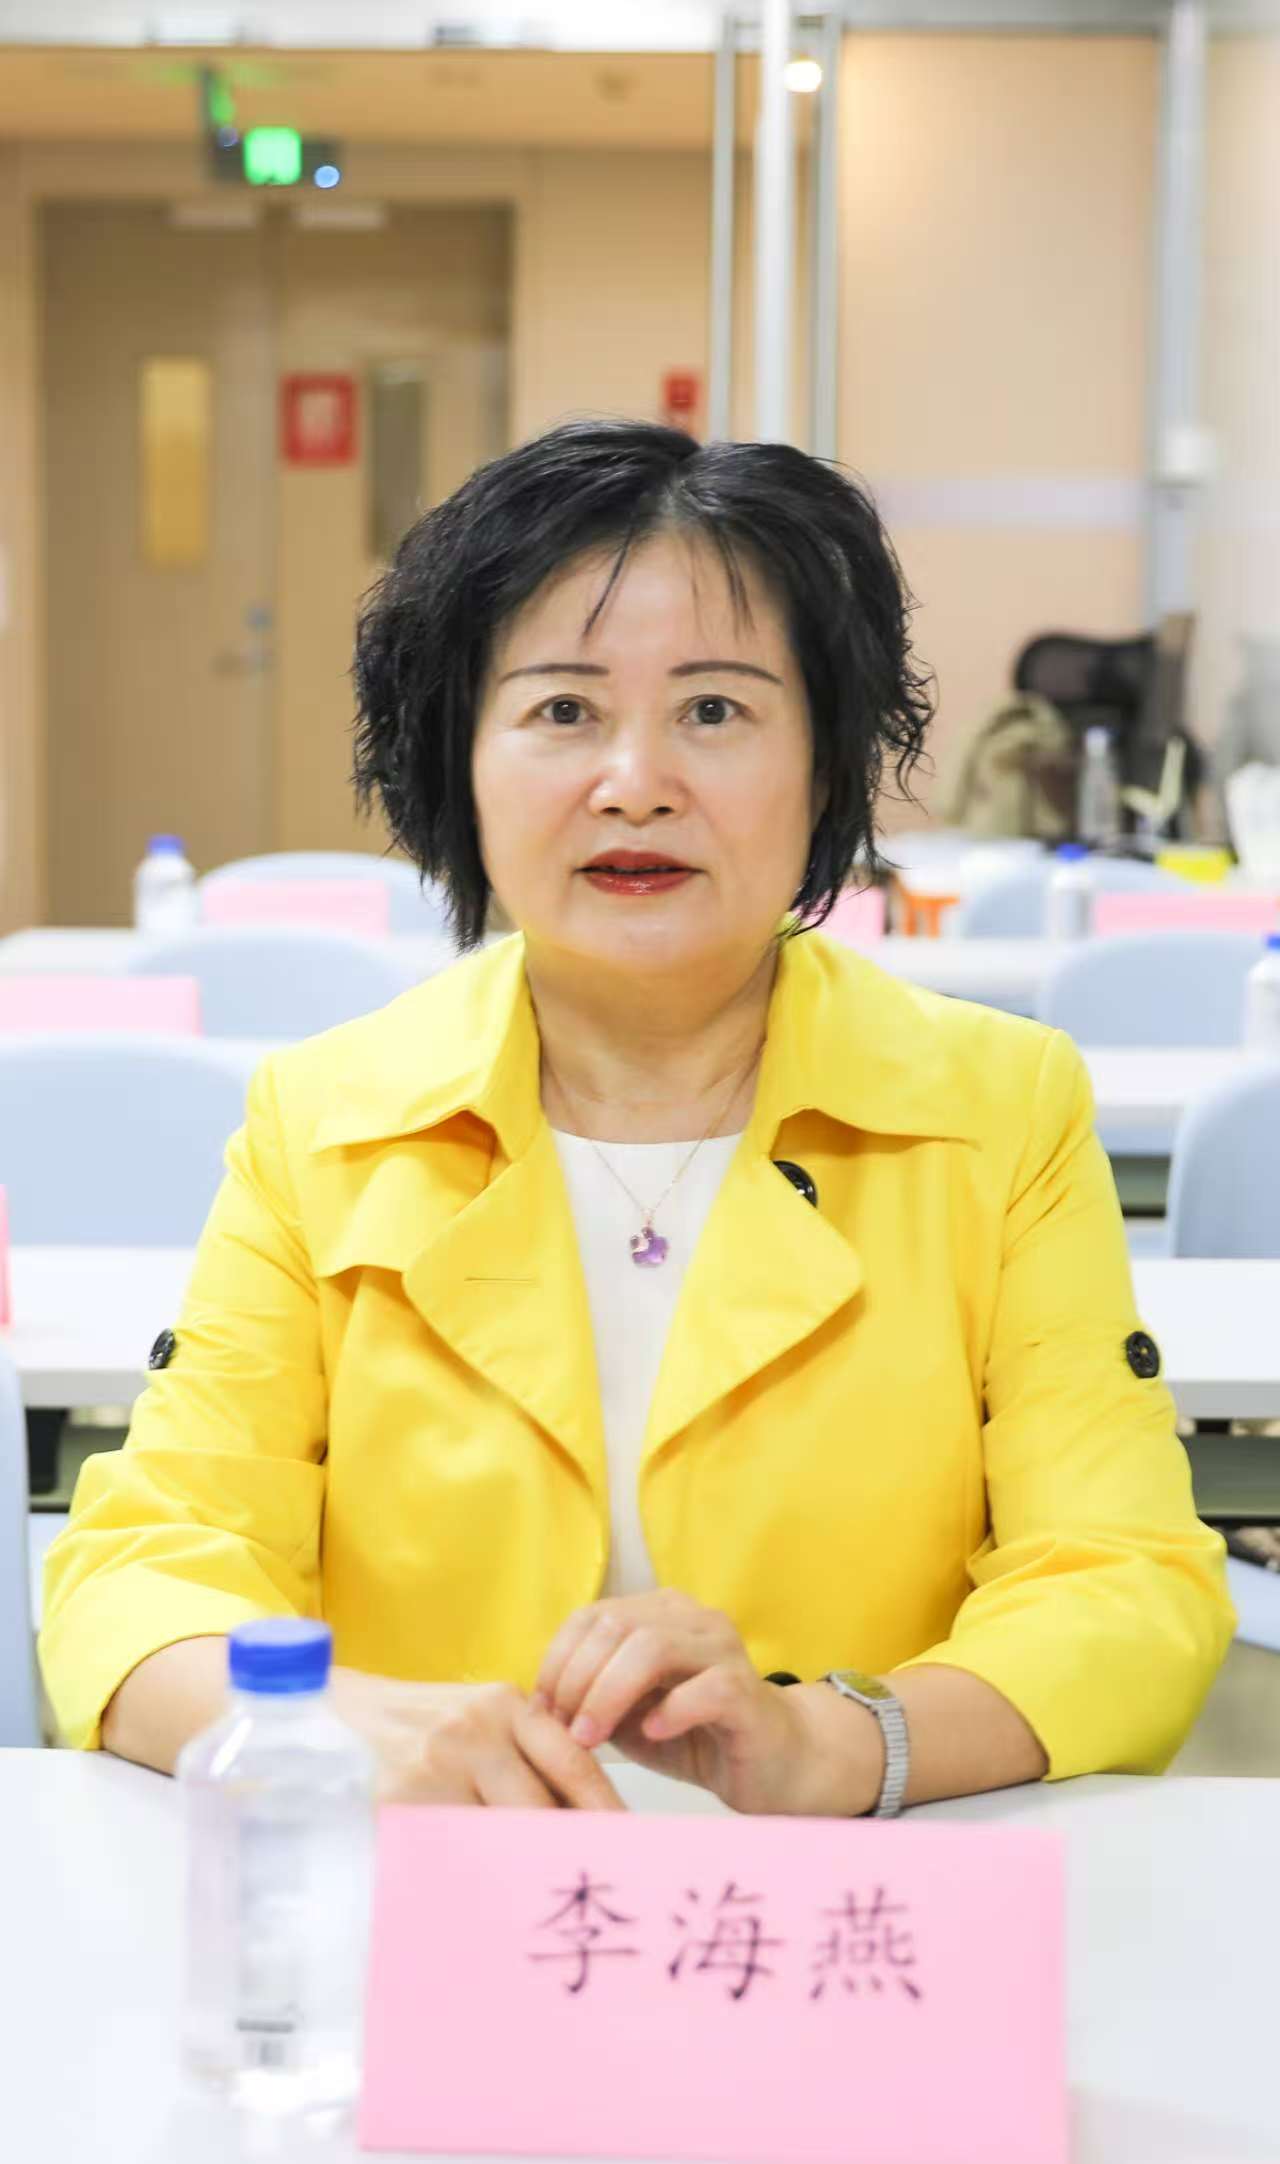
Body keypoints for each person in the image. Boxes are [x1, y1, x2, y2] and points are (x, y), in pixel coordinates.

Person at [40, 420, 1233, 1815]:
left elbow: (1122, 1581)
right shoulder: (322, 1121)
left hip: (841, 1898)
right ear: (459, 760)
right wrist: (359, 1737)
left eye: (715, 711)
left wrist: (838, 1744)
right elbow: (140, 1576)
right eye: (563, 711)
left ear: (826, 762)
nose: (636, 782)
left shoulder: (1001, 1111)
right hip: (432, 1892)